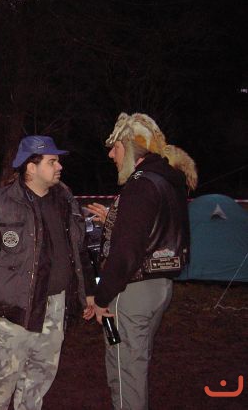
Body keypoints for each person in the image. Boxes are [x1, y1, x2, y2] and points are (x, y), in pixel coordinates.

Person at [0, 135, 95, 410]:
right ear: (31, 167)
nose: (59, 167)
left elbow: (79, 251)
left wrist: (88, 292)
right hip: (15, 311)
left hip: (55, 307)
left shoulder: (65, 201)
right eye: (52, 161)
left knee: (36, 386)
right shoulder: (0, 204)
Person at [87, 113, 197, 410]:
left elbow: (127, 252)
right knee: (135, 361)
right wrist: (114, 220)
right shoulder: (168, 181)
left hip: (131, 292)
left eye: (115, 148)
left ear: (130, 147)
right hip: (160, 287)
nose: (111, 155)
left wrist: (102, 297)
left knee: (126, 370)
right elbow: (156, 232)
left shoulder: (139, 184)